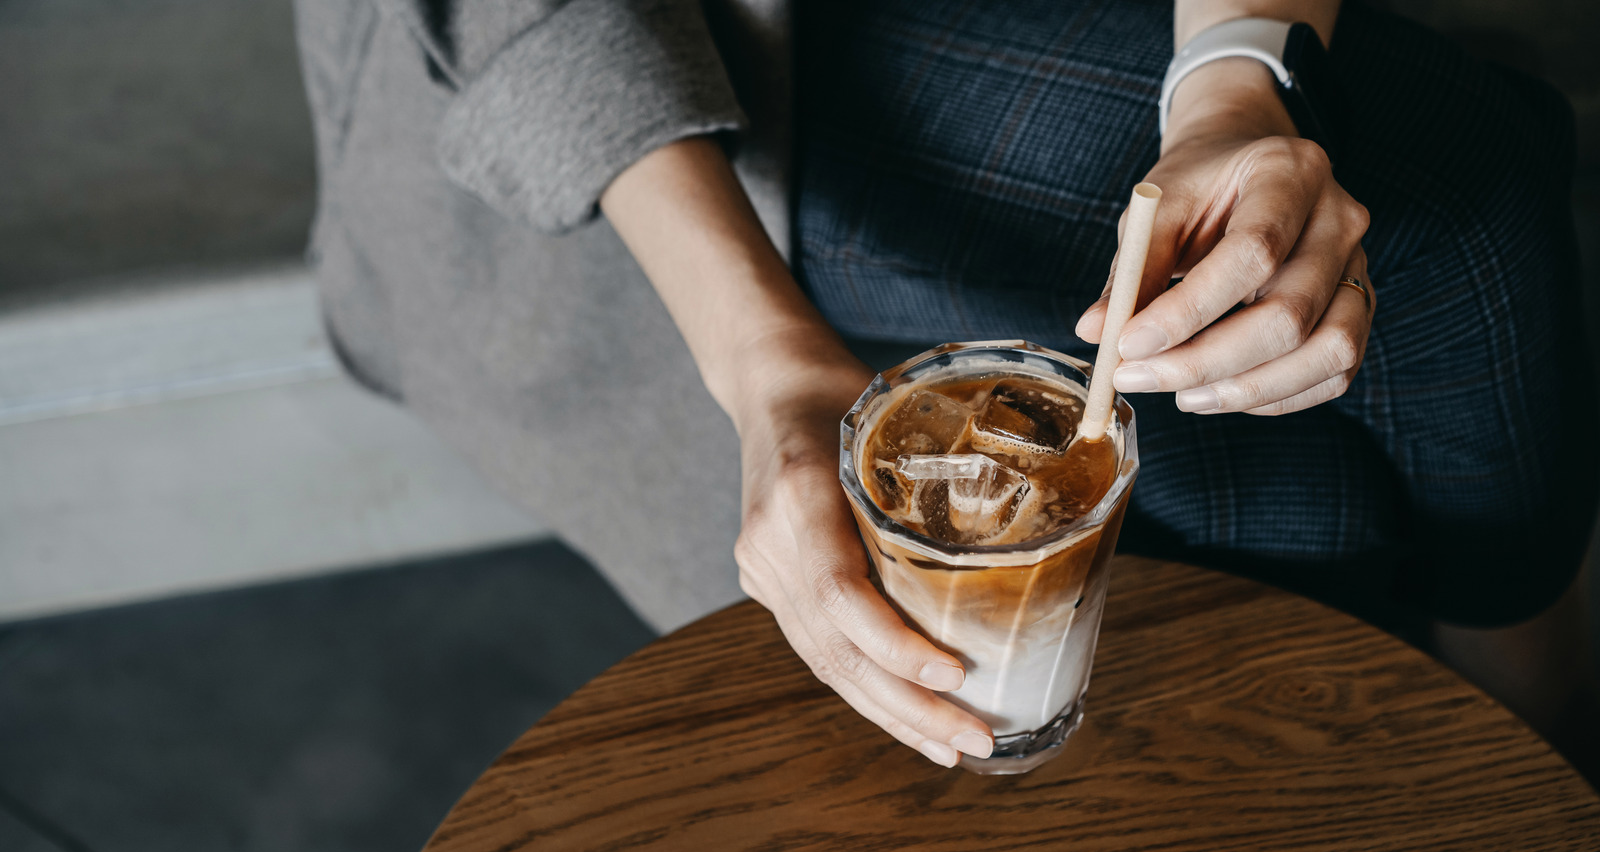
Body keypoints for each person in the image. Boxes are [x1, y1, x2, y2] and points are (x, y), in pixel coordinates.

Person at [293, 0, 1597, 767]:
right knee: (1314, 449)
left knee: (1435, 206)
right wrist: (767, 372)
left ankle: (1533, 777)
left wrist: (1239, 82)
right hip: (661, 45)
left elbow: (1251, 82)